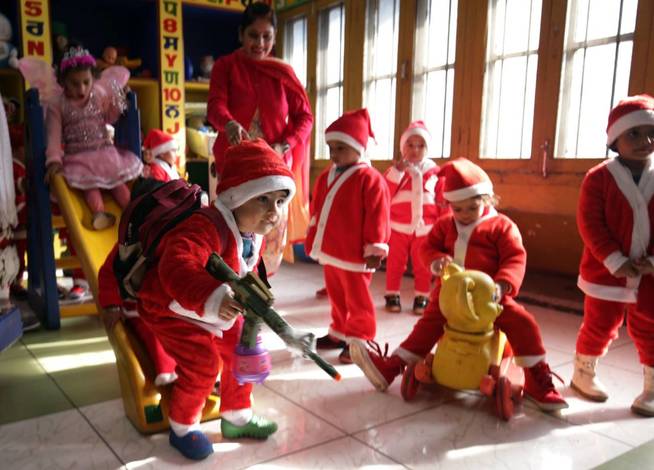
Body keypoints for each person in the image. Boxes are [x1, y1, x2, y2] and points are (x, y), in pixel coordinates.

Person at [351, 158, 569, 412]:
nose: (464, 215)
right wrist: (435, 261)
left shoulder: (501, 226)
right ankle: (392, 367)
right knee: (426, 326)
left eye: (471, 208)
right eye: (458, 209)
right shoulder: (445, 224)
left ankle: (537, 380)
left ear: (488, 200)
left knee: (523, 322)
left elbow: (515, 258)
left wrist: (503, 284)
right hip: (449, 295)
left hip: (490, 298)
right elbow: (427, 247)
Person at [136, 140, 295, 460]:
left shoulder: (252, 231)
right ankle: (182, 426)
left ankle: (236, 416)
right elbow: (175, 264)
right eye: (262, 198)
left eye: (279, 201)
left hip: (210, 305)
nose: (273, 211)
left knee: (242, 347)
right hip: (170, 306)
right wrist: (212, 296)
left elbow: (245, 269)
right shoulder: (205, 225)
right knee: (204, 364)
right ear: (236, 196)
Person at [207, 1, 313, 273]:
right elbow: (215, 106)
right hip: (235, 165)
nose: (260, 43)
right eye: (254, 35)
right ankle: (233, 288)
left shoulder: (283, 73)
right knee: (232, 230)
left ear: (275, 38)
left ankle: (260, 290)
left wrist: (285, 144)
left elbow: (305, 118)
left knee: (271, 231)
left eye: (267, 36)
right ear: (241, 35)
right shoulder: (226, 66)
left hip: (275, 166)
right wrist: (228, 123)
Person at [571, 94, 654, 417]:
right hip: (605, 272)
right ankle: (584, 372)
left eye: (650, 132)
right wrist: (615, 260)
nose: (644, 140)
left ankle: (651, 385)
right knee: (600, 323)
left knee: (650, 326)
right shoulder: (598, 178)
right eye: (633, 133)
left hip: (648, 275)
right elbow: (590, 224)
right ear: (615, 139)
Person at [19, 44, 143, 230]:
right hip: (78, 156)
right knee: (89, 184)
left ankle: (133, 212)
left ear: (94, 77)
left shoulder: (98, 94)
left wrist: (119, 102)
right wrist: (54, 161)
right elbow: (53, 136)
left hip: (104, 151)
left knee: (118, 182)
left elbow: (110, 117)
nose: (82, 89)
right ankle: (99, 213)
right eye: (74, 84)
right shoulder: (57, 105)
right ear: (62, 81)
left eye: (86, 82)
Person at [305, 108, 391, 364]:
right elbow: (317, 209)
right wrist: (313, 236)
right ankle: (339, 331)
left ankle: (360, 338)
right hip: (332, 250)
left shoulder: (370, 179)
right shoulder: (326, 176)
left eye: (341, 148)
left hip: (354, 253)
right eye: (331, 148)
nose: (334, 154)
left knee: (357, 299)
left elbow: (378, 214)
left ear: (359, 147)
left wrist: (375, 248)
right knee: (336, 294)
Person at [383, 120, 446, 315]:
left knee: (423, 264)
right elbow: (384, 193)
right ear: (403, 147)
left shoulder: (435, 172)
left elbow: (443, 199)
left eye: (420, 146)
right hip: (398, 226)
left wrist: (443, 226)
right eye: (410, 145)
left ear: (427, 148)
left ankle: (422, 296)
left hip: (425, 228)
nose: (415, 150)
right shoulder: (396, 171)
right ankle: (392, 293)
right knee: (395, 262)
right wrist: (398, 172)